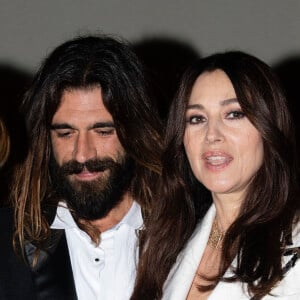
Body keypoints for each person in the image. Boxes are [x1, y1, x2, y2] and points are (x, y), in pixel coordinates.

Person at [0, 34, 162, 300]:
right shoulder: (7, 241)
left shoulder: (185, 233)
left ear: (136, 132)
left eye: (103, 131)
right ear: (46, 139)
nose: (83, 154)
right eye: (66, 133)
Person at [131, 51, 300, 299]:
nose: (212, 135)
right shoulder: (162, 245)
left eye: (234, 114)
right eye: (197, 119)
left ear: (268, 128)